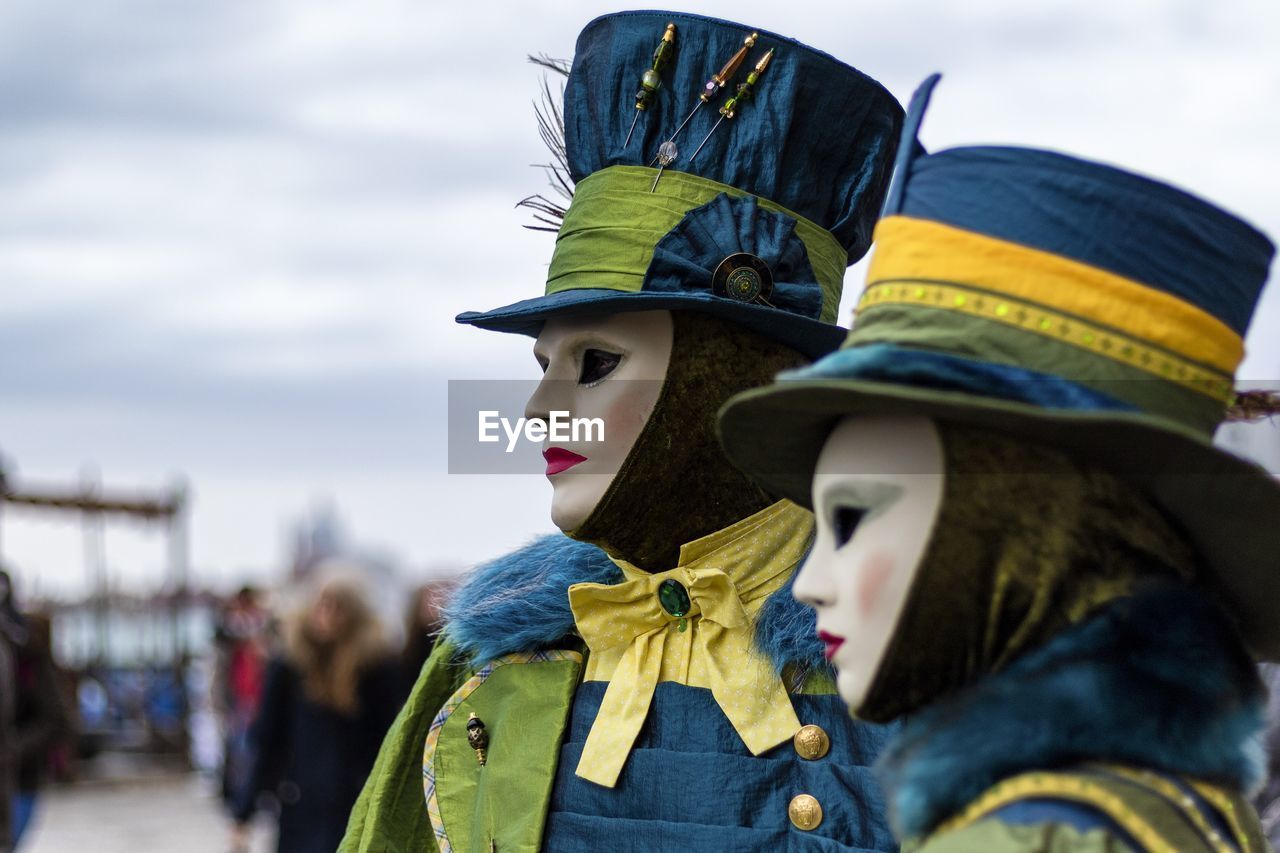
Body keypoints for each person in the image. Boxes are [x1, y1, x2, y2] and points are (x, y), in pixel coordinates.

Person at [342, 10, 905, 852]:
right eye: (545, 365)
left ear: (733, 377)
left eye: (595, 362)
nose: (539, 413)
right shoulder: (487, 669)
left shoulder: (926, 658)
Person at [717, 75, 1277, 851]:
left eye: (854, 517)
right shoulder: (1192, 813)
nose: (808, 581)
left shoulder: (1021, 837)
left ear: (1018, 529)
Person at [232, 575, 402, 853]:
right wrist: (243, 813)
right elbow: (268, 742)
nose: (327, 616)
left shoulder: (377, 669)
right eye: (323, 605)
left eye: (338, 607)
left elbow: (389, 744)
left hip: (356, 806)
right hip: (300, 804)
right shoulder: (289, 666)